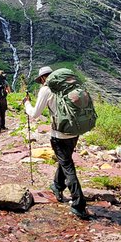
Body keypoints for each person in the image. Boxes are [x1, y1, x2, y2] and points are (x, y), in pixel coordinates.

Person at [23, 66, 90, 220]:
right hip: (75, 132)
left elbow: (35, 114)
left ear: (42, 79)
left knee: (67, 166)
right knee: (65, 160)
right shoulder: (69, 87)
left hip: (59, 135)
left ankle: (79, 204)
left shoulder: (46, 90)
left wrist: (26, 104)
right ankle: (57, 186)